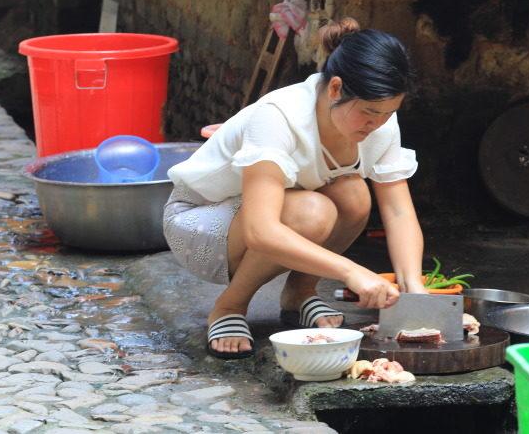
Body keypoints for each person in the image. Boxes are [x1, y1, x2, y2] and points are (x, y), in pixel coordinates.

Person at [163, 18, 427, 359]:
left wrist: (415, 290)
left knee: (354, 194)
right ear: (335, 89)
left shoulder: (380, 122)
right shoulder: (279, 116)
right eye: (369, 113)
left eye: (388, 113)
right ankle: (229, 307)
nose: (377, 124)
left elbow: (398, 210)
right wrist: (352, 272)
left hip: (273, 211)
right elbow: (261, 231)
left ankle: (300, 294)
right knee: (312, 212)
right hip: (202, 220)